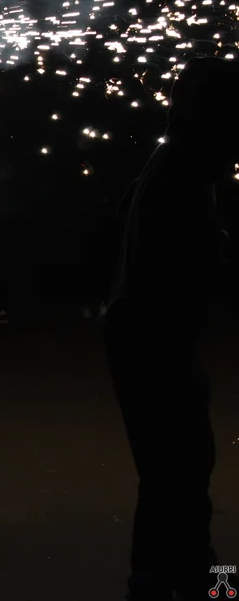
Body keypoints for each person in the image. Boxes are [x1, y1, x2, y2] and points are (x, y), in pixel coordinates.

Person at [104, 56, 237, 601]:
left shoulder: (176, 160)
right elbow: (191, 263)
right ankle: (181, 584)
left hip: (146, 335)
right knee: (177, 472)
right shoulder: (183, 169)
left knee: (178, 471)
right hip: (151, 339)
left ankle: (186, 578)